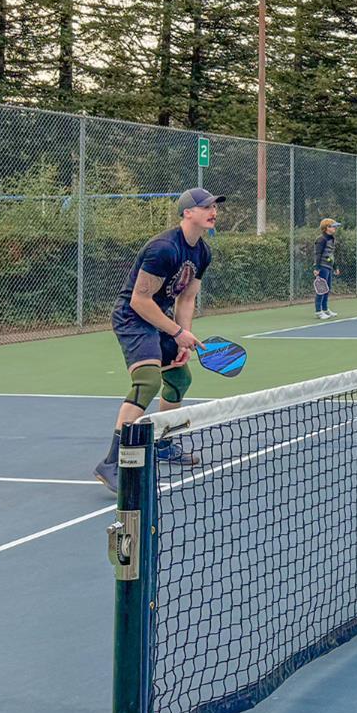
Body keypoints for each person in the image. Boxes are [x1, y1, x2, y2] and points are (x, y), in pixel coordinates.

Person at [94, 187, 223, 493]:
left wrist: (181, 339)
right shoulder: (163, 248)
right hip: (133, 318)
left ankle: (164, 444)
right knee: (148, 382)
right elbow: (139, 301)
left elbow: (187, 299)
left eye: (215, 207)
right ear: (187, 212)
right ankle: (111, 462)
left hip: (160, 316)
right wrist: (177, 332)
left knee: (179, 377)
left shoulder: (202, 252)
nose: (213, 211)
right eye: (206, 206)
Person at [313, 218, 342, 319]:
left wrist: (335, 267)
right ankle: (318, 311)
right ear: (326, 228)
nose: (335, 228)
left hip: (329, 267)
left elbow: (331, 255)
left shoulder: (332, 239)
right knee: (321, 289)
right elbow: (318, 254)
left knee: (327, 288)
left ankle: (325, 309)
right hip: (322, 267)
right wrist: (317, 268)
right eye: (333, 226)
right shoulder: (321, 240)